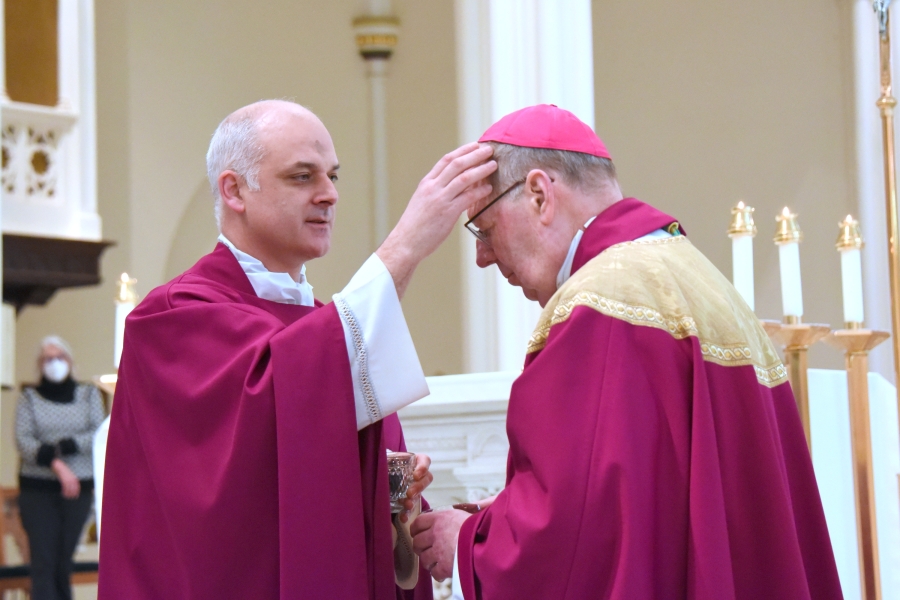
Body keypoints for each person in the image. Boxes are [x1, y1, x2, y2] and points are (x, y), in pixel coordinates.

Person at [410, 104, 843, 599]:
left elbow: (574, 530)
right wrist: (502, 515)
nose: (483, 257)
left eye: (484, 229)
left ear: (538, 195)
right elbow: (649, 506)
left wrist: (468, 544)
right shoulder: (697, 276)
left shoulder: (601, 303)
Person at [97, 99, 496, 599]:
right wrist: (406, 244)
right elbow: (243, 471)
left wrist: (394, 496)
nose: (329, 195)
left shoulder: (328, 331)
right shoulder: (173, 319)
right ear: (234, 189)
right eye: (302, 176)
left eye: (332, 176)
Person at [16, 336, 106, 600]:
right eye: (47, 358)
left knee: (63, 563)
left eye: (59, 357)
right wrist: (57, 464)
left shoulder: (88, 394)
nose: (54, 363)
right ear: (39, 365)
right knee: (43, 562)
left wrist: (65, 446)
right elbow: (24, 439)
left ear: (69, 361)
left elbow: (97, 432)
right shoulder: (29, 397)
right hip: (37, 489)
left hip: (78, 489)